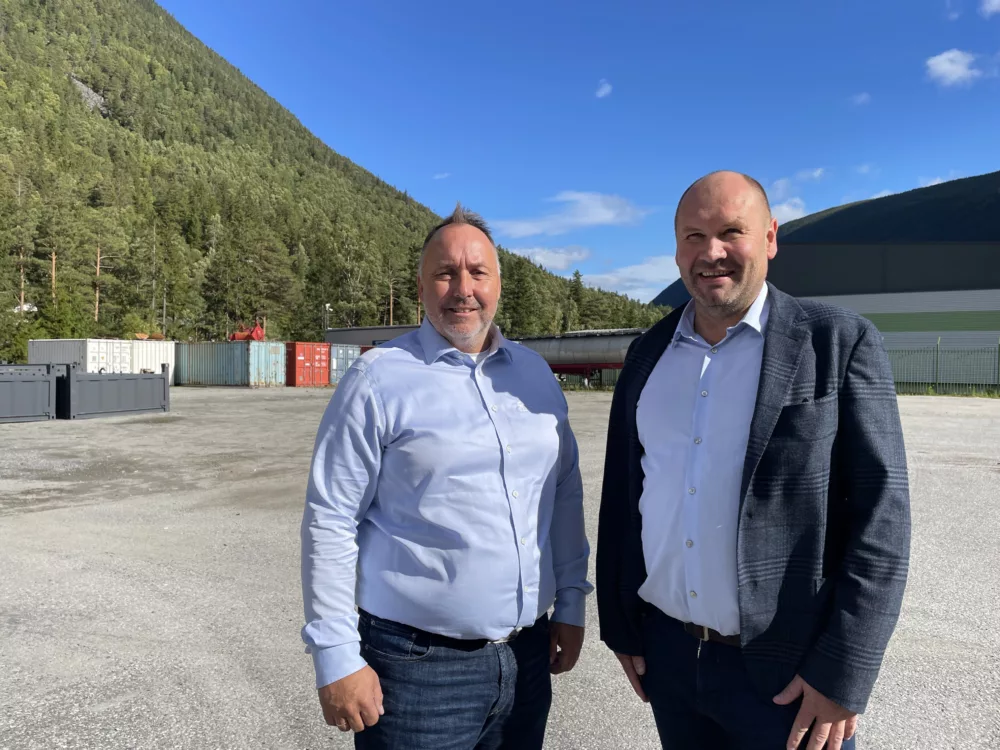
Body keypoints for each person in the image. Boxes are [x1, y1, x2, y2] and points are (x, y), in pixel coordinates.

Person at [595, 171, 911, 750]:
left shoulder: (837, 341)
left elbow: (881, 519)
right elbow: (624, 500)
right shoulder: (647, 356)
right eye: (692, 236)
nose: (710, 253)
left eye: (729, 232)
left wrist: (844, 672)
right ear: (675, 248)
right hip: (670, 658)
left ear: (769, 239)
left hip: (789, 677)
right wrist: (621, 627)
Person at [300, 204, 593, 750]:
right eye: (445, 273)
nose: (463, 288)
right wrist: (336, 653)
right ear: (421, 286)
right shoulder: (378, 379)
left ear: (498, 283)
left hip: (526, 658)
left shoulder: (535, 376)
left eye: (478, 272)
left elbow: (563, 490)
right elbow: (331, 517)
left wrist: (572, 601)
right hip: (415, 672)